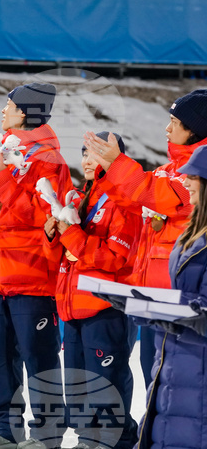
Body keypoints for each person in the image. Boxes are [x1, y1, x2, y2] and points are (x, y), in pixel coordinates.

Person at [0, 83, 72, 449]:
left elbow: (38, 215)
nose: (3, 111)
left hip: (31, 275)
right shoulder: (5, 149)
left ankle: (47, 432)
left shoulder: (50, 160)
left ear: (25, 112)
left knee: (38, 359)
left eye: (8, 105)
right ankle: (6, 429)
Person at [83, 90, 207, 387]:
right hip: (154, 296)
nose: (167, 128)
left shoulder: (200, 173)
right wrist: (108, 174)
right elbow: (134, 200)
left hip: (181, 301)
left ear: (195, 130)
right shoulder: (168, 170)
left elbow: (155, 194)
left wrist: (117, 165)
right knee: (153, 376)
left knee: (179, 382)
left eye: (175, 122)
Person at [42, 131, 139, 449]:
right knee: (79, 382)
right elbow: (60, 256)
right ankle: (111, 436)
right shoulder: (84, 197)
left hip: (106, 306)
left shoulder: (124, 199)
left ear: (113, 157)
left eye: (95, 152)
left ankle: (102, 438)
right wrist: (53, 234)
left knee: (105, 380)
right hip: (72, 305)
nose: (86, 158)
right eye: (84, 152)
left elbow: (114, 258)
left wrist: (70, 236)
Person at [133, 146, 207, 449]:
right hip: (174, 362)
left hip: (197, 372)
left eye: (194, 176)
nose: (185, 181)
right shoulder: (192, 232)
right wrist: (146, 307)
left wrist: (162, 310)